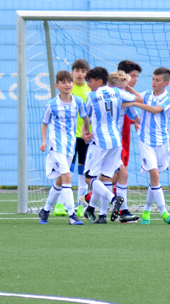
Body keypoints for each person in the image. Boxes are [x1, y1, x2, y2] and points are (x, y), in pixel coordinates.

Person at [81, 67, 141, 224]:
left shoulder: (92, 96)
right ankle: (101, 215)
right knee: (106, 177)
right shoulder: (118, 93)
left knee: (89, 178)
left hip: (99, 141)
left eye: (90, 81)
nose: (88, 84)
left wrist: (85, 131)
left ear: (99, 81)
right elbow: (136, 101)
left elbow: (85, 116)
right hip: (116, 140)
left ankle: (114, 199)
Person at [37, 70, 91, 226]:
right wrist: (44, 141)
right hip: (56, 146)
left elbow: (85, 117)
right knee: (67, 177)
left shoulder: (78, 101)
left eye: (69, 82)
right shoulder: (52, 104)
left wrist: (86, 132)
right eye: (63, 82)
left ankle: (46, 210)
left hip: (70, 145)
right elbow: (44, 124)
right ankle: (72, 215)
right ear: (57, 85)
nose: (67, 85)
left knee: (61, 180)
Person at [130, 67, 170, 225]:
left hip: (162, 141)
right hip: (145, 141)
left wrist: (136, 103)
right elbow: (132, 96)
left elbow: (156, 110)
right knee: (155, 175)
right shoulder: (145, 95)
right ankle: (164, 212)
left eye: (157, 80)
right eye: (153, 79)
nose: (154, 83)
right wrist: (126, 85)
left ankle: (147, 211)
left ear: (166, 83)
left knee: (155, 178)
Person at [52, 59, 91, 218]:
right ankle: (60, 205)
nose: (80, 74)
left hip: (85, 138)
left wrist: (88, 131)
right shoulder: (67, 90)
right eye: (77, 71)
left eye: (83, 71)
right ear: (72, 72)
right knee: (65, 171)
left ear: (87, 73)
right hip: (68, 139)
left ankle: (81, 205)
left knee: (83, 173)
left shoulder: (90, 90)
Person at [114, 60, 143, 222]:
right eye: (133, 76)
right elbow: (138, 100)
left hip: (117, 141)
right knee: (115, 175)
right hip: (105, 142)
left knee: (119, 174)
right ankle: (91, 201)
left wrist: (140, 124)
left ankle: (120, 211)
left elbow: (135, 115)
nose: (136, 80)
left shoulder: (126, 96)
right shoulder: (115, 93)